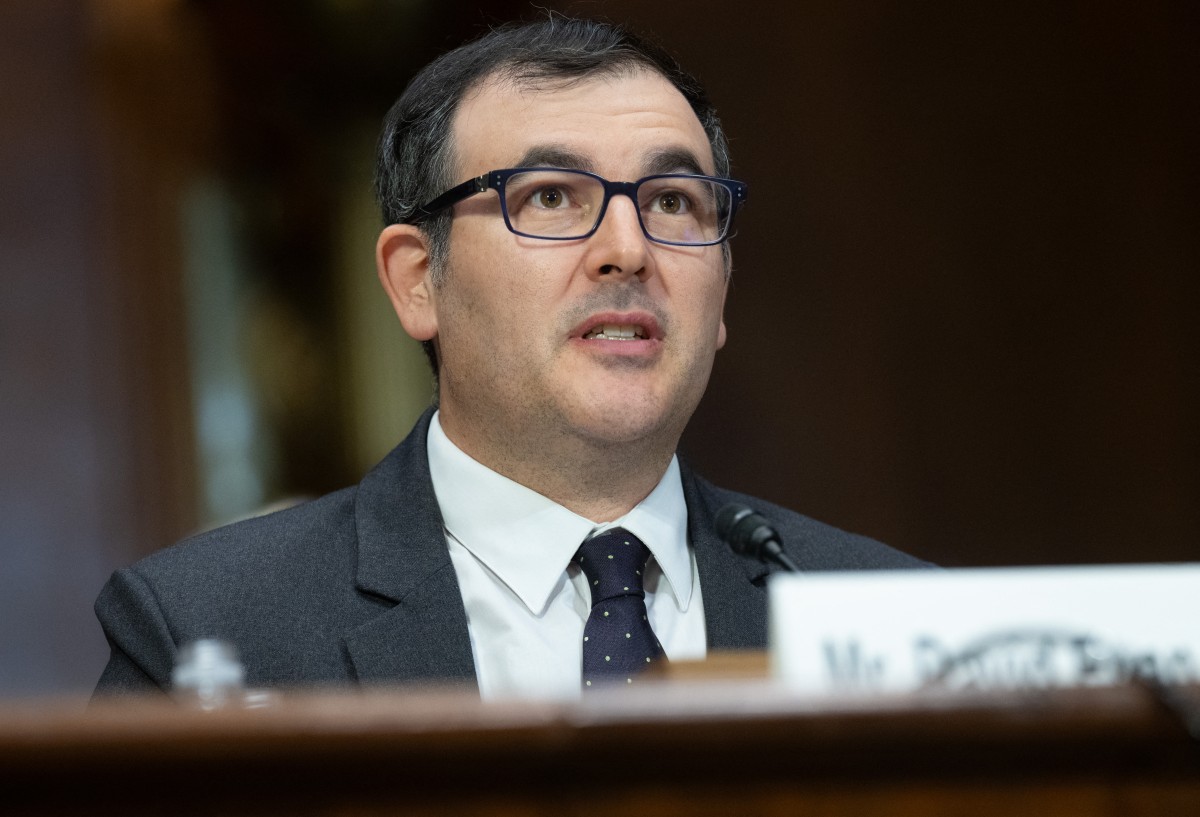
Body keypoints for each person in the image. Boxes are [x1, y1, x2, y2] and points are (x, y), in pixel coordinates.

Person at [93, 16, 926, 701]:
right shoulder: (209, 628)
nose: (628, 251)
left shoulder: (896, 617)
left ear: (722, 288)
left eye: (672, 201)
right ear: (418, 281)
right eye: (552, 198)